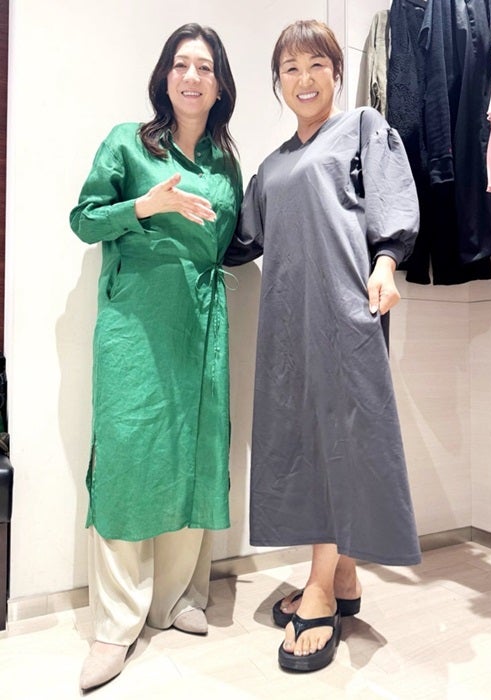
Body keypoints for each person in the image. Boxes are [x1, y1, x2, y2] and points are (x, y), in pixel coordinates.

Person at [225, 19, 421, 673]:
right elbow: (241, 240)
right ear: (277, 82)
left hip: (347, 311)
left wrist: (386, 263)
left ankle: (318, 588)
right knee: (304, 442)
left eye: (316, 65)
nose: (304, 79)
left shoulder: (363, 127)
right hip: (287, 324)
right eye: (290, 68)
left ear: (336, 72)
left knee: (341, 443)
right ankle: (343, 575)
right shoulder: (271, 167)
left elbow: (392, 204)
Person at [70, 23, 242, 691]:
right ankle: (114, 626)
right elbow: (84, 219)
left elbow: (233, 240)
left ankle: (177, 599)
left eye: (204, 67)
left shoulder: (226, 164)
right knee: (128, 454)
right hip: (134, 319)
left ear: (219, 85)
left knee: (191, 450)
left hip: (200, 319)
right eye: (180, 64)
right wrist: (145, 205)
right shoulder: (127, 142)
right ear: (164, 77)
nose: (191, 77)